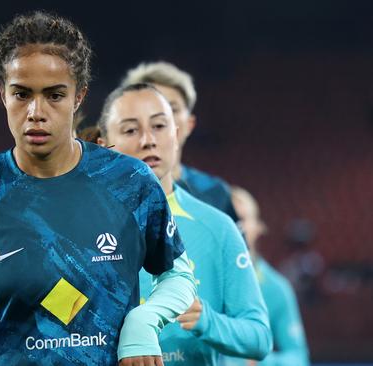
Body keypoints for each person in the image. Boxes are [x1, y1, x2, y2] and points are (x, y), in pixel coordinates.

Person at [0, 11, 196, 366]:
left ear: (79, 96)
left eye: (54, 95)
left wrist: (142, 321)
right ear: (3, 95)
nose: (36, 112)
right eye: (22, 94)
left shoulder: (129, 182)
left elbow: (178, 274)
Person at [93, 83, 271, 365]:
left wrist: (207, 320)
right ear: (104, 146)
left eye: (160, 126)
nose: (148, 140)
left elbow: (260, 338)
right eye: (130, 130)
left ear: (176, 134)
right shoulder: (81, 230)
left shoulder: (218, 227)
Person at [120, 62, 238, 221]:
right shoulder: (106, 192)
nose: (162, 117)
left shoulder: (215, 193)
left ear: (190, 124)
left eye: (172, 109)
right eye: (151, 107)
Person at [225, 186, 310, 366]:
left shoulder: (276, 288)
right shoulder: (199, 279)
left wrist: (256, 363)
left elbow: (298, 358)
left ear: (258, 227)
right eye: (228, 218)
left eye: (241, 219)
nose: (235, 226)